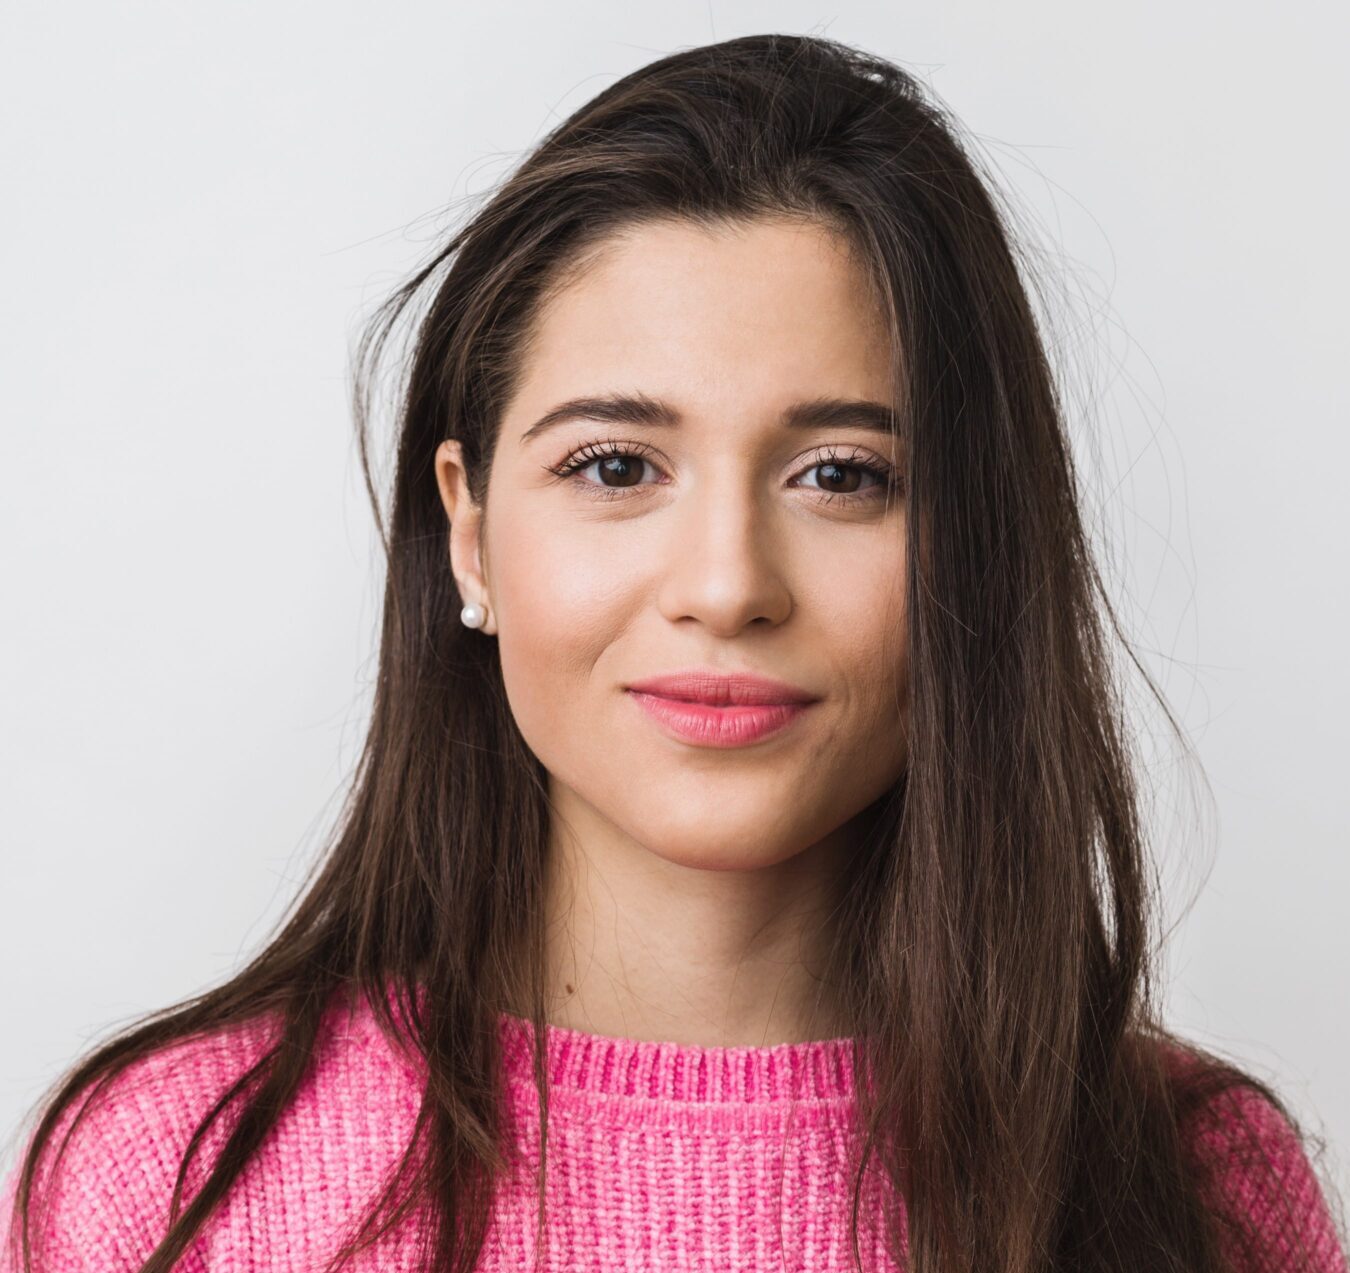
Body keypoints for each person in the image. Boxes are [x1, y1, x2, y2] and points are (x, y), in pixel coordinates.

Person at [2, 31, 1345, 1273]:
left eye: (839, 473)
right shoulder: (170, 1181)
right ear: (469, 533)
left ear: (975, 541)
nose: (725, 585)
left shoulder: (1193, 1189)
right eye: (615, 464)